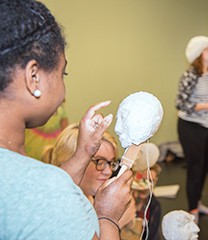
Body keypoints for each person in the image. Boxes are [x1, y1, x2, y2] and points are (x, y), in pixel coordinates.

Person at [0, 1, 132, 239]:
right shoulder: (46, 191)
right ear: (34, 78)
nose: (64, 91)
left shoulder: (28, 182)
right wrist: (108, 217)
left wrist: (83, 152)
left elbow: (34, 201)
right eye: (63, 73)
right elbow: (45, 197)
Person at [43, 124, 137, 235]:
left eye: (111, 163)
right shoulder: (54, 209)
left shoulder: (90, 201)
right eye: (99, 161)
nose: (108, 171)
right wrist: (112, 222)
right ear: (70, 160)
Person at [175, 35, 208, 222]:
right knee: (195, 168)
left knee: (206, 167)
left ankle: (197, 202)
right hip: (191, 127)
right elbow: (180, 104)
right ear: (200, 53)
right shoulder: (190, 75)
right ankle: (192, 210)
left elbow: (206, 99)